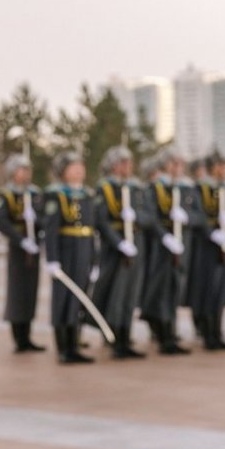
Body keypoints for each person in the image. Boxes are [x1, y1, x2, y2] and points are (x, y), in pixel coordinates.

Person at [141, 148, 197, 355]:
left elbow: (198, 215)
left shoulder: (185, 189)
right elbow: (150, 217)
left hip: (182, 246)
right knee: (162, 290)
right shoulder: (154, 189)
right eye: (174, 164)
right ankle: (165, 335)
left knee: (175, 289)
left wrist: (187, 217)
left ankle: (169, 331)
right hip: (161, 247)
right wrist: (165, 236)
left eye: (180, 164)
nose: (178, 168)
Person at [93, 146, 147, 359]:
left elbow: (148, 215)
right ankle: (114, 338)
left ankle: (126, 336)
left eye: (128, 162)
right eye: (122, 162)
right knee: (115, 293)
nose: (127, 167)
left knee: (129, 295)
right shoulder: (105, 188)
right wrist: (119, 243)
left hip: (135, 243)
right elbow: (102, 221)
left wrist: (136, 217)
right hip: (116, 248)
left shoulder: (135, 187)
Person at [43, 151, 97, 364]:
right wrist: (52, 259)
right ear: (62, 172)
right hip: (65, 253)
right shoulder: (56, 195)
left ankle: (75, 344)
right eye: (73, 167)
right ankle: (63, 348)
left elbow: (92, 230)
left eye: (80, 166)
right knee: (63, 299)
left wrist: (95, 260)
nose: (78, 170)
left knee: (80, 299)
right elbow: (50, 229)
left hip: (83, 251)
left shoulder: (87, 195)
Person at [186, 151, 225, 351]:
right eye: (221, 166)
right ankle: (208, 334)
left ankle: (218, 332)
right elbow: (196, 216)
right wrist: (211, 232)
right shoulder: (199, 189)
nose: (224, 170)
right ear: (212, 167)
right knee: (209, 290)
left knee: (221, 291)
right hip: (207, 247)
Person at [0, 154, 46, 352]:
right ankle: (18, 337)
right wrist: (21, 239)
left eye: (27, 170)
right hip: (18, 249)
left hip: (33, 247)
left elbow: (44, 219)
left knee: (30, 292)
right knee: (17, 292)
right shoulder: (7, 194)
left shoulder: (34, 193)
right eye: (21, 170)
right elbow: (2, 221)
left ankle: (28, 334)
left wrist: (36, 220)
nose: (25, 174)